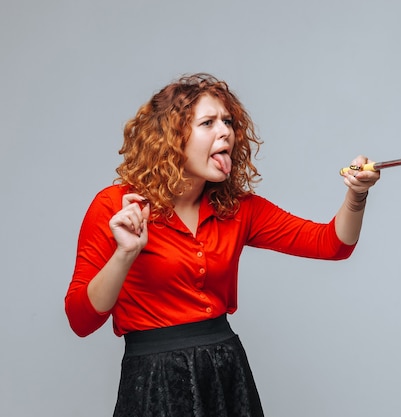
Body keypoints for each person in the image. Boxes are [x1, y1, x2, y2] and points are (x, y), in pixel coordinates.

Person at [65, 73, 380, 417]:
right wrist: (124, 254)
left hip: (225, 372)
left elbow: (331, 244)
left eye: (228, 121)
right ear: (171, 137)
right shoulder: (116, 205)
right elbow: (81, 320)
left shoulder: (238, 209)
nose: (225, 131)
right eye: (208, 123)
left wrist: (357, 195)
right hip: (155, 380)